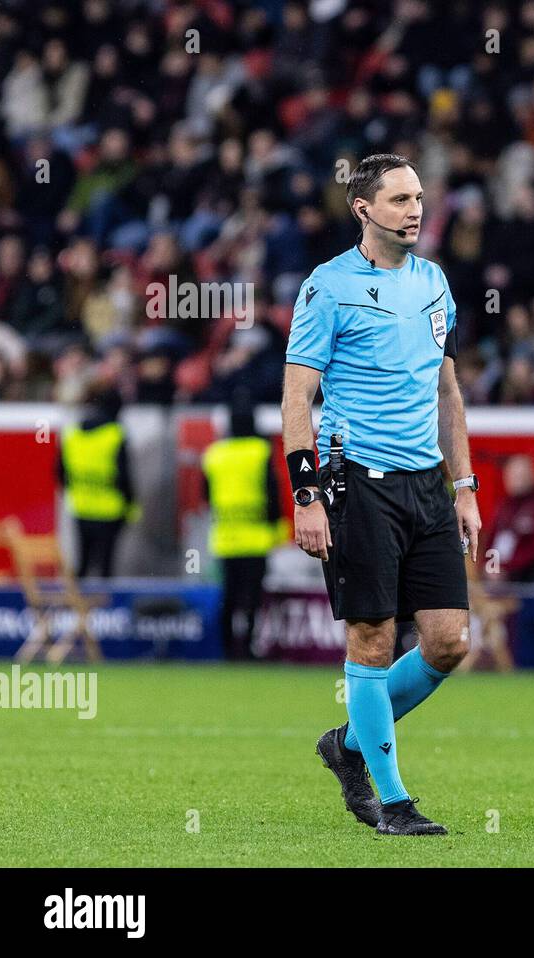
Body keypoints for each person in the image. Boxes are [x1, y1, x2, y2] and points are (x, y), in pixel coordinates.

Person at [282, 154, 482, 837]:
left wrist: (464, 487)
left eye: (418, 197)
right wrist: (306, 495)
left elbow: (448, 393)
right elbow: (298, 397)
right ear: (362, 209)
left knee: (449, 642)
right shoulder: (327, 286)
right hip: (357, 480)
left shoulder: (434, 282)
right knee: (371, 638)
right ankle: (393, 803)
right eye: (399, 199)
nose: (415, 209)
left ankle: (347, 744)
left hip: (427, 484)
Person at [202, 392, 284, 660]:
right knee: (252, 596)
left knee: (228, 595)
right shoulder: (259, 451)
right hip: (256, 537)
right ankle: (248, 647)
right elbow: (272, 491)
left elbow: (205, 496)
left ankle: (226, 648)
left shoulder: (214, 454)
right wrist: (277, 525)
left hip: (225, 537)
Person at [57, 389, 135, 578]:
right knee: (106, 566)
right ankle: (105, 599)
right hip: (110, 509)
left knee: (83, 563)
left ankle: (77, 597)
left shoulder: (73, 433)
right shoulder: (115, 433)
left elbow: (60, 472)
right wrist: (130, 504)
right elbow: (124, 476)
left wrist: (77, 490)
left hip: (81, 507)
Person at [483, 454, 534, 582]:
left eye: (520, 476)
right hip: (499, 577)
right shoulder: (503, 508)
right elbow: (492, 542)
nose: (515, 480)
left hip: (531, 579)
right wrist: (491, 567)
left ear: (533, 476)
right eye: (511, 476)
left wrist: (506, 569)